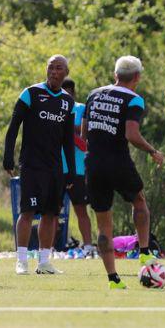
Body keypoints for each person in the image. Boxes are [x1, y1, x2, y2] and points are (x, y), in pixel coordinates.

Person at [83, 56, 165, 290]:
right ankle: (144, 251)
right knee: (138, 200)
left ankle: (113, 279)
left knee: (103, 224)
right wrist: (152, 151)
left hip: (94, 163)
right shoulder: (134, 100)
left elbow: (84, 131)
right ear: (137, 77)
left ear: (115, 73)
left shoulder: (94, 94)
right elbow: (131, 134)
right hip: (117, 161)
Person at [3, 55, 76, 275]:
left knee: (51, 214)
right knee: (27, 211)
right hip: (32, 165)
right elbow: (14, 126)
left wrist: (70, 170)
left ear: (66, 72)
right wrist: (8, 156)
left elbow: (68, 140)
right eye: (51, 67)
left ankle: (44, 262)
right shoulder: (31, 93)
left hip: (54, 168)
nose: (54, 72)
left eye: (59, 68)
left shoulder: (68, 102)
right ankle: (22, 260)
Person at [61, 78, 94, 256]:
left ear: (73, 92)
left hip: (77, 170)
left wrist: (67, 129)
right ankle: (48, 249)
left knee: (80, 208)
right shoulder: (52, 106)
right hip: (56, 168)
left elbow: (83, 142)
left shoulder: (82, 109)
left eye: (68, 92)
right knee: (50, 212)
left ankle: (88, 246)